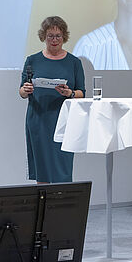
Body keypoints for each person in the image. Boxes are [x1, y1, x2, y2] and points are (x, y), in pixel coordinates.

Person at [19, 16, 85, 183]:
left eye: (58, 36)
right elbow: (21, 91)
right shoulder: (32, 60)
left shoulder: (74, 62)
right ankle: (43, 206)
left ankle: (61, 206)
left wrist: (69, 93)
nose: (54, 40)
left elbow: (82, 92)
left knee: (63, 168)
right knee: (42, 169)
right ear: (43, 36)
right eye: (50, 36)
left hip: (64, 121)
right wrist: (25, 90)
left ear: (64, 37)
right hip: (39, 120)